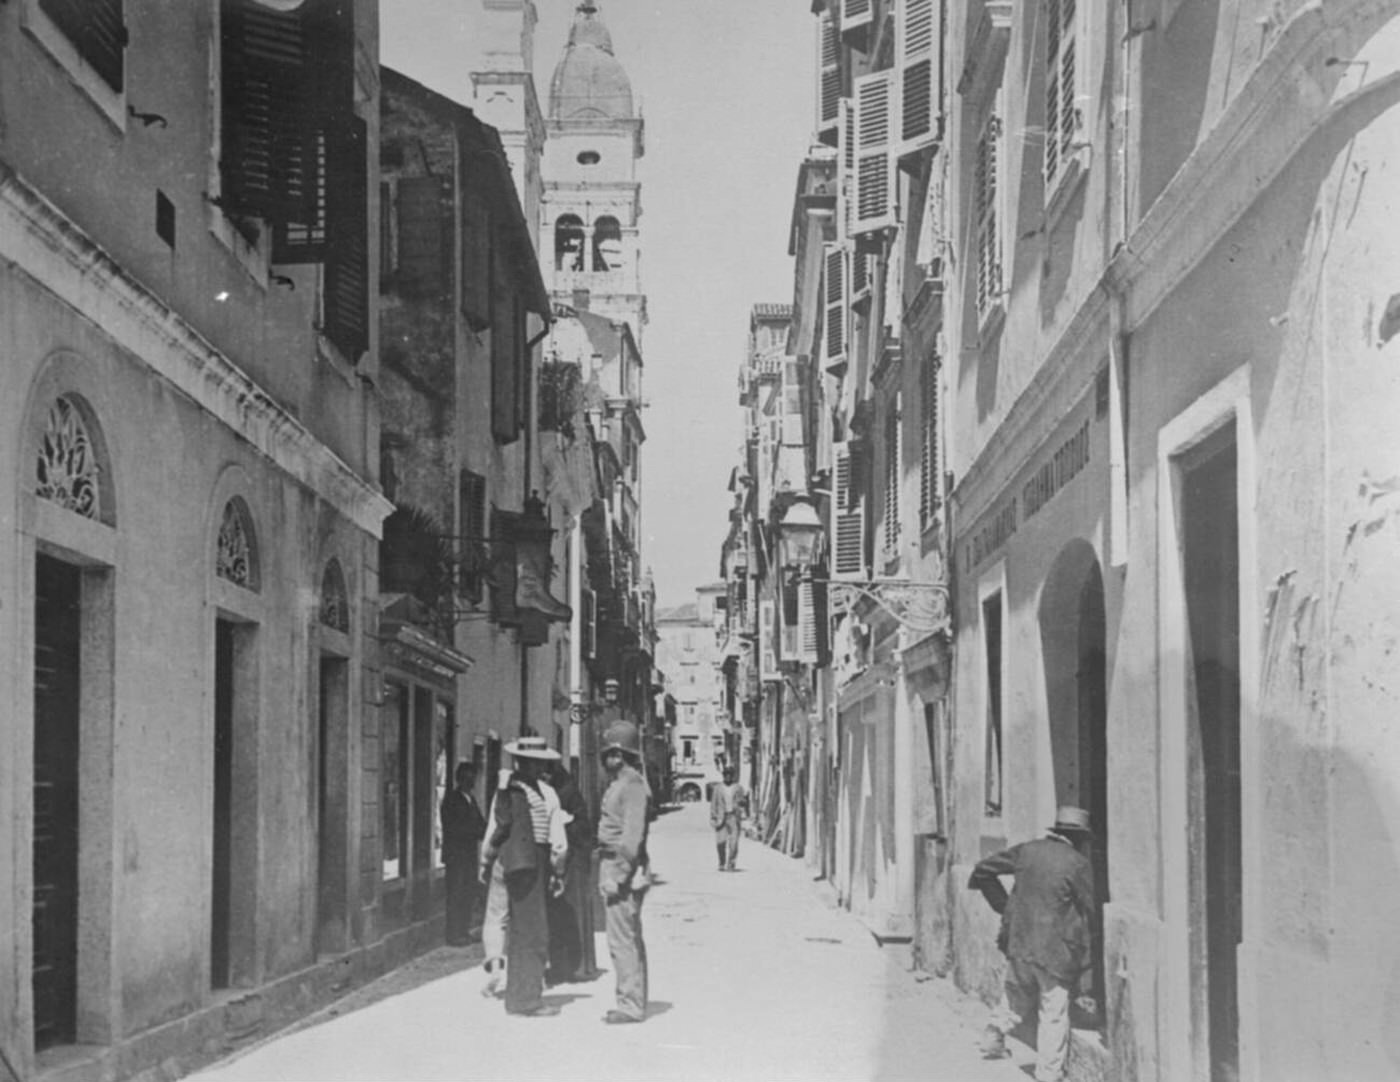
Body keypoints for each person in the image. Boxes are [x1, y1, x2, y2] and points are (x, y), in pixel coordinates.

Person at [967, 805, 1098, 1082]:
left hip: (1020, 942)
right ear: (1080, 838)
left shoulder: (1027, 850)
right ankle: (1049, 1074)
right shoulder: (1077, 863)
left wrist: (1005, 908)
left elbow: (982, 871)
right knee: (1053, 1010)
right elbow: (1089, 911)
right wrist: (1087, 965)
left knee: (1015, 993)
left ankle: (994, 1035)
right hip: (1055, 951)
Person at [479, 736, 568, 1017]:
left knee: (508, 922)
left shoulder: (508, 790)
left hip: (510, 863)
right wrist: (558, 871)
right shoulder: (542, 793)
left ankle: (507, 978)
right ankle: (526, 999)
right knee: (533, 932)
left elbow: (495, 828)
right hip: (530, 865)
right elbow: (558, 843)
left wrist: (487, 860)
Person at [596, 719, 651, 1025]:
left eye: (609, 754)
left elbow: (631, 836)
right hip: (616, 862)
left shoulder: (631, 785)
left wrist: (616, 876)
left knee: (622, 939)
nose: (605, 760)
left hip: (621, 866)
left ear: (620, 754)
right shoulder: (623, 783)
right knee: (627, 937)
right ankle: (633, 998)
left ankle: (630, 1004)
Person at [547, 762, 599, 984]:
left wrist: (563, 826)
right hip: (576, 861)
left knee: (567, 913)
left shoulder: (563, 795)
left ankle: (570, 967)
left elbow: (578, 828)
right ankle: (576, 965)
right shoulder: (569, 792)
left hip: (571, 863)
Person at [440, 761, 486, 946]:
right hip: (456, 855)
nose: (472, 780)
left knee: (468, 892)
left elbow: (480, 822)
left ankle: (463, 931)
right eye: (469, 777)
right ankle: (453, 935)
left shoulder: (471, 799)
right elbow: (455, 827)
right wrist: (476, 831)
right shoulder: (452, 799)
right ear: (462, 779)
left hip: (468, 855)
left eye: (473, 776)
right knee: (456, 893)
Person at [709, 766, 748, 871]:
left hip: (734, 818)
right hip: (721, 818)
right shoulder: (717, 788)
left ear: (732, 776)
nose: (728, 777)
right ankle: (722, 862)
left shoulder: (738, 788)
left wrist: (742, 802)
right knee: (720, 842)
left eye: (730, 775)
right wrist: (713, 817)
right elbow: (714, 804)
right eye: (726, 775)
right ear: (723, 776)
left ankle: (731, 864)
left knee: (734, 843)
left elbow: (743, 801)